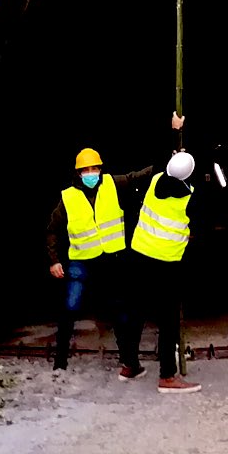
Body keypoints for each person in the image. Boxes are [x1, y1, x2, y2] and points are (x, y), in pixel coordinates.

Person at [45, 119, 181, 372]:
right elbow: (52, 231)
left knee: (120, 311)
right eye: (86, 170)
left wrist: (173, 145)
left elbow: (146, 173)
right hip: (81, 262)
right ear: (77, 173)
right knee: (70, 308)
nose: (91, 174)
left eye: (95, 168)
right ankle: (60, 362)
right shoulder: (68, 198)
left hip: (110, 261)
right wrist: (54, 260)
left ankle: (128, 361)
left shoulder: (112, 184)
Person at [124, 149, 202, 393]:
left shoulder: (155, 180)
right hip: (167, 262)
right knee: (168, 320)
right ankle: (167, 376)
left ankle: (129, 365)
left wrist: (174, 130)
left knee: (136, 311)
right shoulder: (188, 195)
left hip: (140, 255)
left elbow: (161, 164)